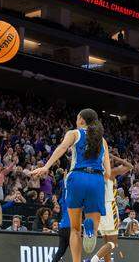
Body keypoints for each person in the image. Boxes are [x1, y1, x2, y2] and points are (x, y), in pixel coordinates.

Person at [30, 108, 111, 262]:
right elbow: (107, 172)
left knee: (74, 229)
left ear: (81, 120)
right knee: (93, 228)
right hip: (96, 179)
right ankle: (91, 231)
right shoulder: (103, 141)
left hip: (77, 178)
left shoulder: (75, 133)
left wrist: (46, 166)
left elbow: (61, 148)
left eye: (77, 118)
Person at [91, 154, 133, 262]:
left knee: (106, 244)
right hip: (109, 206)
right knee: (113, 243)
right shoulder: (111, 172)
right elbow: (130, 166)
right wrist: (116, 158)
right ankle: (94, 259)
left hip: (98, 208)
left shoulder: (94, 173)